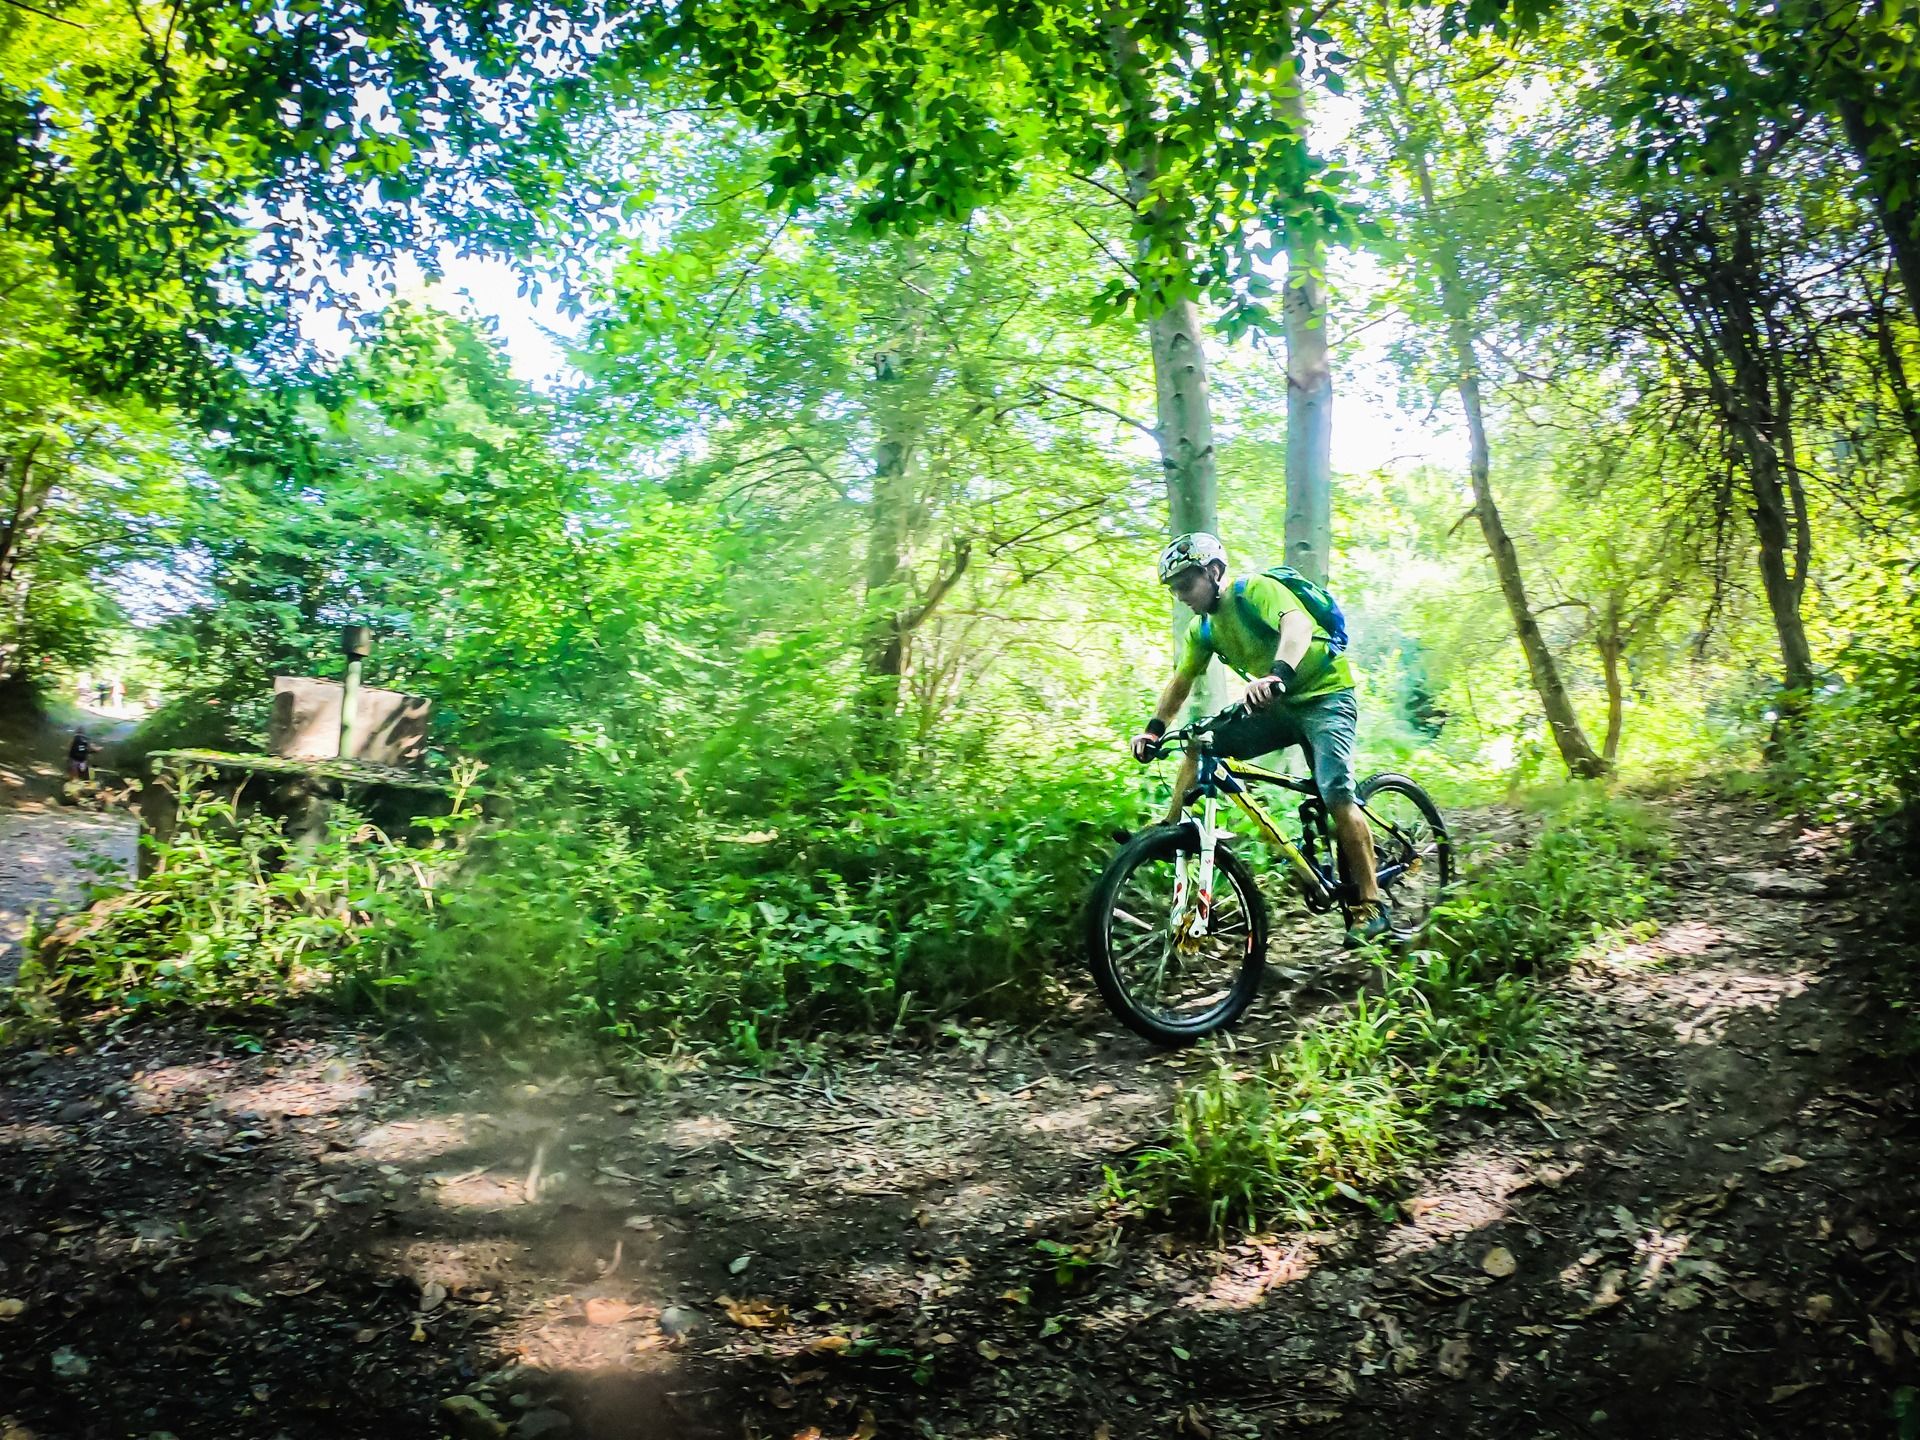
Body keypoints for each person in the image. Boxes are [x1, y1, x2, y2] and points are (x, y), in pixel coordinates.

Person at [1131, 532, 1391, 947]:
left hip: (1326, 696)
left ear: (1213, 571)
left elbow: (1297, 625)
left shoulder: (1254, 590)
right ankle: (1169, 827)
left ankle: (1371, 904)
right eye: (1174, 588)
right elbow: (1181, 681)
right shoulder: (1204, 629)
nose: (1180, 595)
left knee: (1336, 793)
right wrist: (1153, 729)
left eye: (1185, 584)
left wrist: (1277, 674)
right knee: (1202, 741)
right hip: (1278, 708)